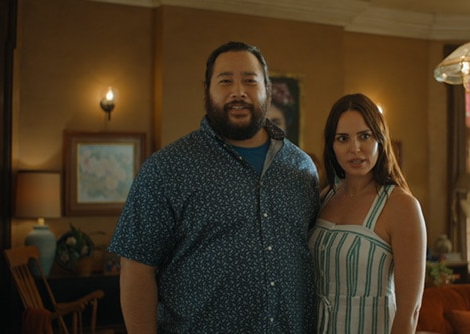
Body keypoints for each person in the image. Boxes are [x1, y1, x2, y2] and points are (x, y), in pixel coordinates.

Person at [108, 41, 320, 333]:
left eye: (250, 80)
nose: (238, 92)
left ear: (268, 90)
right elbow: (136, 268)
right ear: (207, 89)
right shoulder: (167, 168)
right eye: (225, 81)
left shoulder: (301, 168)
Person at [309, 93, 427, 333]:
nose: (355, 149)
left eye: (365, 136)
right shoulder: (325, 197)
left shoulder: (402, 207)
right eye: (342, 139)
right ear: (332, 146)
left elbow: (410, 311)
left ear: (380, 140)